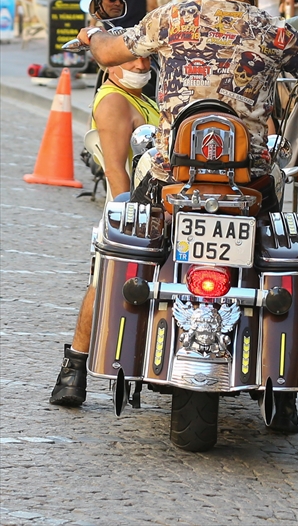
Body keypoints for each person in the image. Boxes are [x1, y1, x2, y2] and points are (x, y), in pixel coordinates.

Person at [70, 0, 298, 432]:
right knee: (279, 261)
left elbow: (111, 53)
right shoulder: (272, 31)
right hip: (248, 184)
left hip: (169, 178)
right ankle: (286, 395)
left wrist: (93, 32)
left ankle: (73, 370)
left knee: (118, 247)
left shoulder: (174, 17)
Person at [49, 57, 160, 407]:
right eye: (131, 59)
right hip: (130, 207)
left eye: (145, 58)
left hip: (153, 204)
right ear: (111, 66)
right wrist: (130, 218)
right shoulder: (114, 100)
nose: (141, 64)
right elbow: (116, 171)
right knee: (104, 281)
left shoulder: (143, 97)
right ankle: (73, 372)